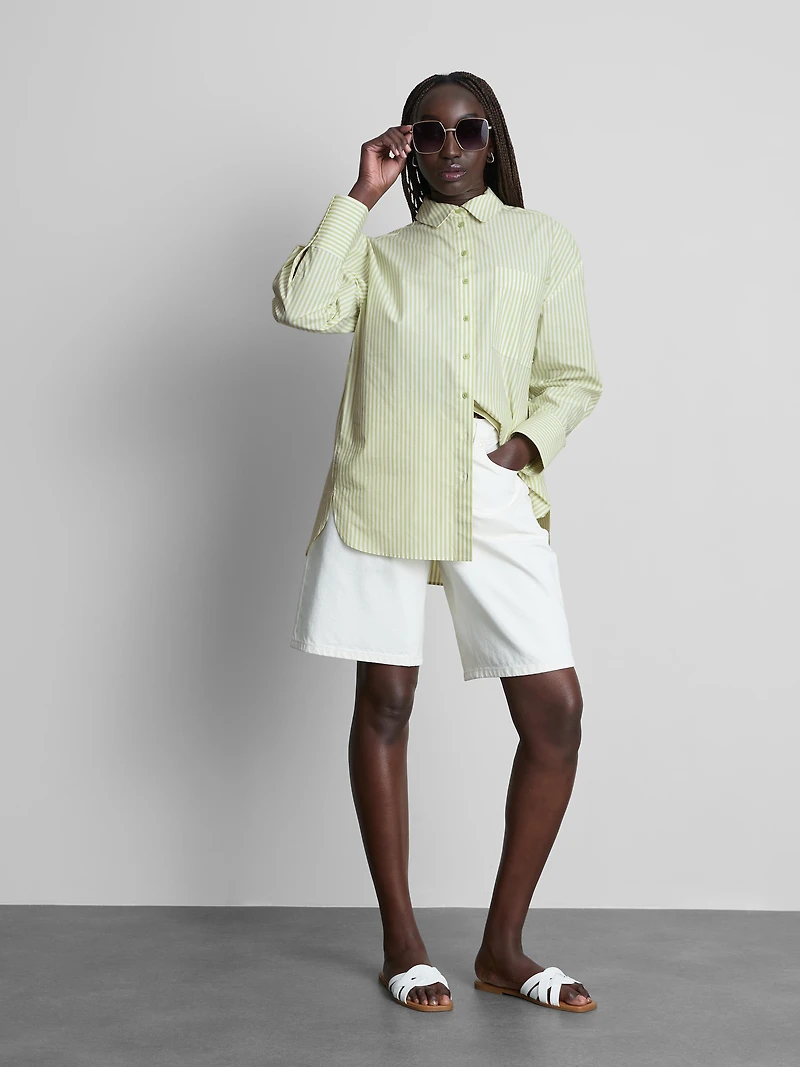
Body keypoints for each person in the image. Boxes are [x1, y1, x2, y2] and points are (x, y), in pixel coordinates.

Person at [272, 71, 601, 1014]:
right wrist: (361, 193)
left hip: (490, 486)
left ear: (493, 140)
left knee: (556, 714)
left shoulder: (542, 242)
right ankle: (402, 942)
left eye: (468, 129)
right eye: (429, 131)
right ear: (408, 144)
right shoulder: (380, 256)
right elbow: (301, 303)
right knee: (386, 698)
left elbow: (573, 375)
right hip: (384, 480)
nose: (450, 147)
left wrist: (524, 446)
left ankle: (503, 946)